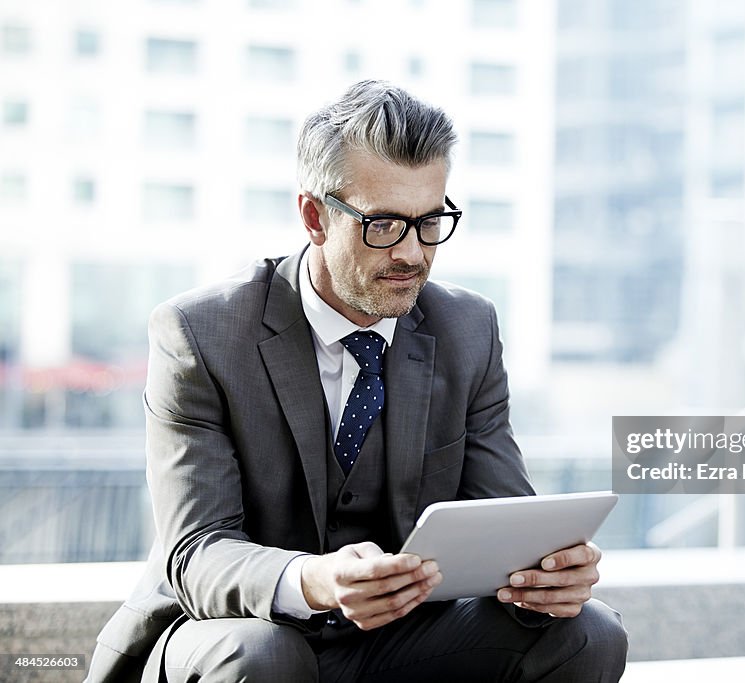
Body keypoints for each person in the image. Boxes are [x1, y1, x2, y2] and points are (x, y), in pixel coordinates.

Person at [86, 80, 628, 682]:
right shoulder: (200, 333)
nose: (413, 254)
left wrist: (546, 572)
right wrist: (312, 580)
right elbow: (197, 554)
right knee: (265, 657)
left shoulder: (468, 329)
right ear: (314, 216)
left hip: (401, 638)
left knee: (588, 632)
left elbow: (507, 515)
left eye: (430, 221)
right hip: (236, 632)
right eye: (385, 225)